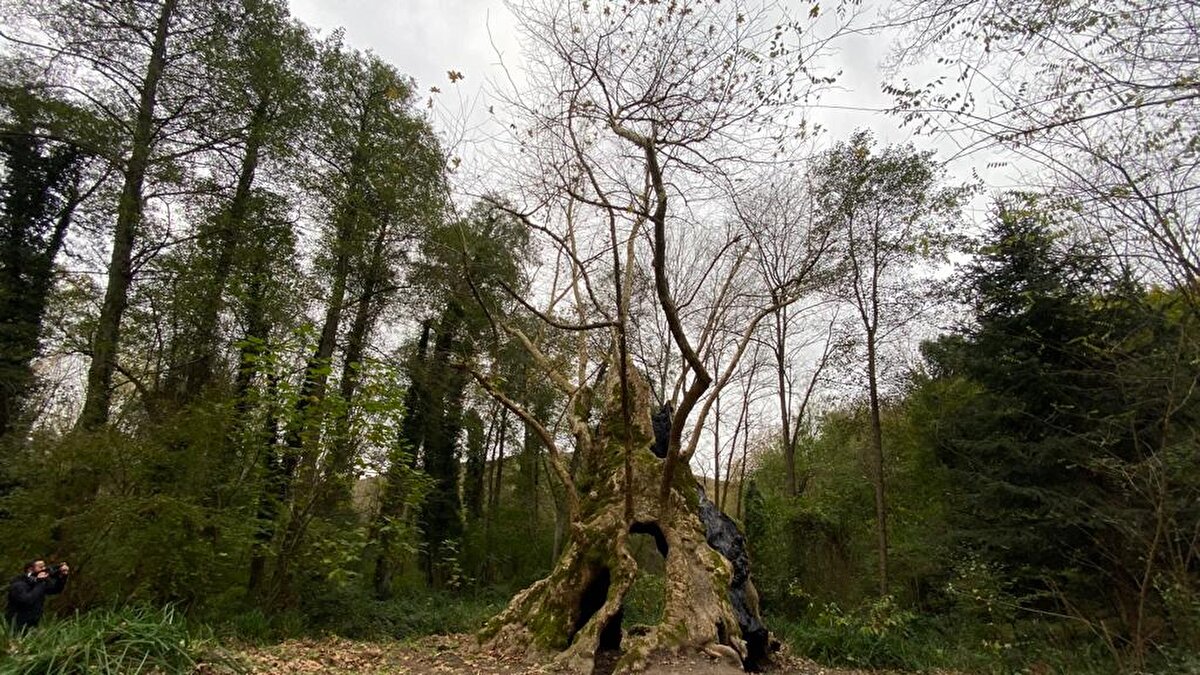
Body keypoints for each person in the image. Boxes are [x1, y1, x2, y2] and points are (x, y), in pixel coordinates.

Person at [5, 559, 69, 632]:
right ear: (30, 569)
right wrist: (40, 583)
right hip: (17, 621)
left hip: (34, 621)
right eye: (40, 567)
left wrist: (62, 577)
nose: (44, 569)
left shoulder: (38, 583)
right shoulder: (19, 584)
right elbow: (27, 600)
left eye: (44, 566)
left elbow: (55, 590)